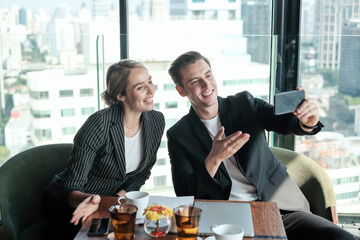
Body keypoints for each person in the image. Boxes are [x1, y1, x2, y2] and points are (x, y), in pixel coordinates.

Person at [166, 51, 355, 240]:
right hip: (225, 219)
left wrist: (307, 122)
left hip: (279, 209)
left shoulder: (244, 104)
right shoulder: (178, 135)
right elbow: (185, 194)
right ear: (182, 91)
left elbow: (282, 122)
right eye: (194, 81)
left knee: (341, 237)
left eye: (208, 75)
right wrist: (213, 160)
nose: (206, 85)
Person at [42, 60, 165, 239]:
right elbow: (71, 186)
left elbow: (141, 173)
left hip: (108, 203)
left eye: (150, 81)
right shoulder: (98, 124)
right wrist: (94, 200)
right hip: (72, 205)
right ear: (121, 95)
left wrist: (115, 199)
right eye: (140, 87)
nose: (151, 90)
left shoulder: (156, 121)